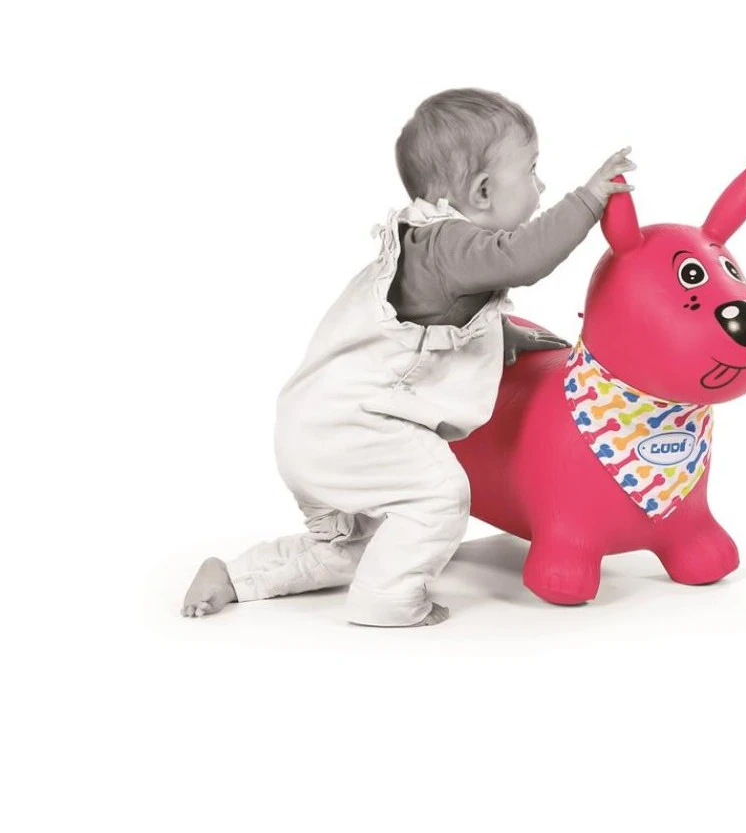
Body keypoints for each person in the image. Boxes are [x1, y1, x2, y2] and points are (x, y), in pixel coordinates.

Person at [182, 88, 635, 626]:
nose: (542, 186)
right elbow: (522, 259)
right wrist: (589, 199)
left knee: (356, 548)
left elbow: (432, 330)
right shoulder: (446, 246)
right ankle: (389, 600)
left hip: (317, 426)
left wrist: (505, 338)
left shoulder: (428, 244)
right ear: (483, 191)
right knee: (441, 494)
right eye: (532, 170)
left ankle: (235, 577)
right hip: (352, 426)